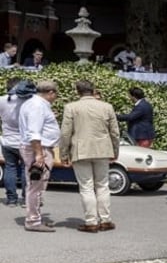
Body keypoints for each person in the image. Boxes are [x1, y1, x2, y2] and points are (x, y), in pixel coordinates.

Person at [60, 80, 119, 232]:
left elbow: (65, 133)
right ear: (93, 90)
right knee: (103, 185)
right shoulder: (107, 107)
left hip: (81, 150)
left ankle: (91, 221)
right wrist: (115, 151)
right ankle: (105, 220)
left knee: (86, 187)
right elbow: (115, 132)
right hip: (103, 149)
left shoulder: (71, 107)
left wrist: (63, 154)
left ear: (77, 91)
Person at [19, 79, 60, 231]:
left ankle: (36, 217)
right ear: (50, 92)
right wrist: (39, 155)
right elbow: (34, 133)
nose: (56, 97)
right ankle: (33, 221)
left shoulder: (33, 103)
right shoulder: (37, 106)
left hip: (37, 147)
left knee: (36, 185)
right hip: (38, 148)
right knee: (36, 185)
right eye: (55, 94)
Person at [0, 77, 25, 206]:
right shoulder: (26, 100)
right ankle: (26, 198)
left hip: (8, 140)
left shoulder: (2, 100)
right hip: (25, 141)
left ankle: (11, 199)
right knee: (27, 169)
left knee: (10, 168)